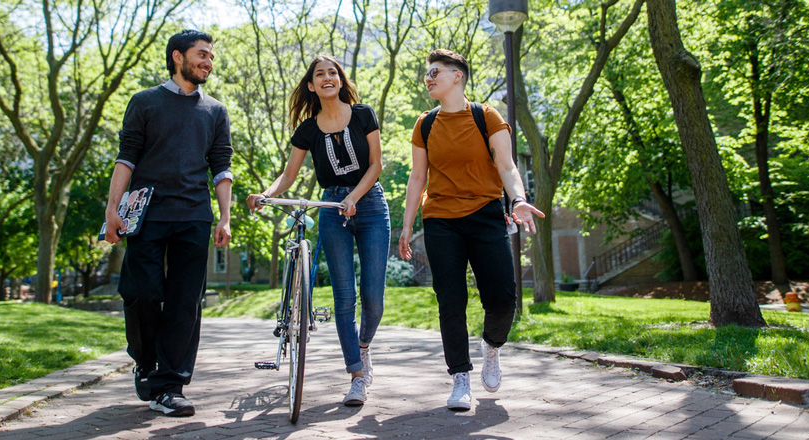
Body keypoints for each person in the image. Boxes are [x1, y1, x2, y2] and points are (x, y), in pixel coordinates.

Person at [397, 49, 545, 411]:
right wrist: (406, 225)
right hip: (440, 219)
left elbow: (508, 166)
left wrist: (519, 200)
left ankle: (491, 347)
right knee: (451, 300)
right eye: (427, 73)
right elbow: (417, 178)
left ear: (457, 76)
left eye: (435, 72)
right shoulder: (425, 124)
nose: (428, 78)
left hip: (485, 214)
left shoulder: (486, 116)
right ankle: (460, 377)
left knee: (502, 299)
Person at [103, 29, 233, 417]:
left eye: (211, 57)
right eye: (202, 55)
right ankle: (145, 362)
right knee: (141, 292)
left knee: (184, 302)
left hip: (194, 215)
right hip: (145, 215)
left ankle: (171, 385)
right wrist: (112, 209)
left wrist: (224, 217)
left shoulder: (215, 110)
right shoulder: (144, 102)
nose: (208, 62)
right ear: (178, 57)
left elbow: (221, 166)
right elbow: (126, 158)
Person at [246, 55, 389, 407]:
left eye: (333, 72)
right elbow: (289, 175)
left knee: (373, 297)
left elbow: (376, 165)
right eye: (319, 74)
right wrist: (265, 193)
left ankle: (364, 346)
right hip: (331, 209)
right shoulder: (307, 130)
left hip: (369, 204)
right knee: (344, 297)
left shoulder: (363, 115)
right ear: (311, 86)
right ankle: (356, 375)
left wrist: (354, 197)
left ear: (340, 81)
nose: (327, 77)